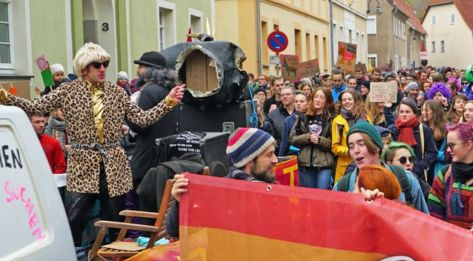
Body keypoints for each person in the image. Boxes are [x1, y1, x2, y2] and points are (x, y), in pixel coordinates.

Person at [0, 42, 185, 248]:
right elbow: (36, 106)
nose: (103, 68)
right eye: (97, 64)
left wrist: (168, 102)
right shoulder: (67, 91)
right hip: (83, 165)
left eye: (105, 63)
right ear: (84, 68)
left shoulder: (117, 93)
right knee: (73, 221)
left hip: (114, 165)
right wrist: (6, 97)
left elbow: (141, 119)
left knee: (116, 222)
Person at [167, 128, 278, 236]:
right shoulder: (220, 194)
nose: (275, 160)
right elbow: (175, 231)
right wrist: (181, 203)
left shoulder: (271, 186)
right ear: (249, 160)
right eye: (269, 155)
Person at [333, 121, 429, 212]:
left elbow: (426, 223)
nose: (356, 150)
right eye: (351, 146)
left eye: (361, 144)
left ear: (377, 146)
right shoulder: (342, 187)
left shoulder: (406, 179)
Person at [427, 122, 473, 229]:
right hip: (451, 242)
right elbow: (434, 214)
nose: (448, 150)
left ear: (468, 144)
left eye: (451, 145)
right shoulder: (445, 175)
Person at [128, 50, 180, 187]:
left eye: (141, 66)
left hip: (147, 160)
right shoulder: (169, 90)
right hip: (165, 158)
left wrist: (127, 118)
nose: (138, 70)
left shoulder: (148, 91)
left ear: (151, 70)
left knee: (144, 205)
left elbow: (140, 125)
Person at [289, 88, 335, 189]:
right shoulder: (303, 117)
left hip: (324, 164)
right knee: (308, 196)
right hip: (305, 163)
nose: (318, 100)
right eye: (316, 97)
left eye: (321, 97)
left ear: (327, 101)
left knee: (321, 194)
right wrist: (307, 137)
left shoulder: (331, 119)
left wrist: (319, 140)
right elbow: (292, 138)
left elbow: (334, 143)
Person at [388, 97, 437, 182]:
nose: (404, 114)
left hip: (417, 174)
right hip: (396, 173)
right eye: (401, 112)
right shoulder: (393, 129)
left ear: (414, 113)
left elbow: (433, 152)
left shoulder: (423, 129)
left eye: (407, 112)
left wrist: (419, 166)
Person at [331, 89, 370, 181]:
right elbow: (334, 147)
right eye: (344, 100)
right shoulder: (337, 120)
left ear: (355, 100)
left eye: (349, 99)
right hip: (346, 165)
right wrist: (350, 151)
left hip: (365, 162)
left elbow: (371, 138)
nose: (347, 102)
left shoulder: (366, 117)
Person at [421, 100, 448, 183]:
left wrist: (433, 154)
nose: (423, 113)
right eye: (422, 110)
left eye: (426, 110)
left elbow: (448, 155)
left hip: (438, 169)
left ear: (435, 112)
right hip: (425, 169)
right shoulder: (421, 128)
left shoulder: (446, 130)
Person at [279, 90, 309, 157]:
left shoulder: (311, 118)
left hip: (308, 156)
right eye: (296, 101)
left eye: (302, 101)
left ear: (307, 103)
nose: (298, 103)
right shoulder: (288, 120)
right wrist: (281, 159)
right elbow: (284, 142)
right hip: (293, 155)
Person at [267, 84, 296, 149]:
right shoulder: (272, 115)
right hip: (281, 153)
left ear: (294, 96)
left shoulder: (301, 113)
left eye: (288, 94)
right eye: (282, 95)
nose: (285, 97)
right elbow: (270, 137)